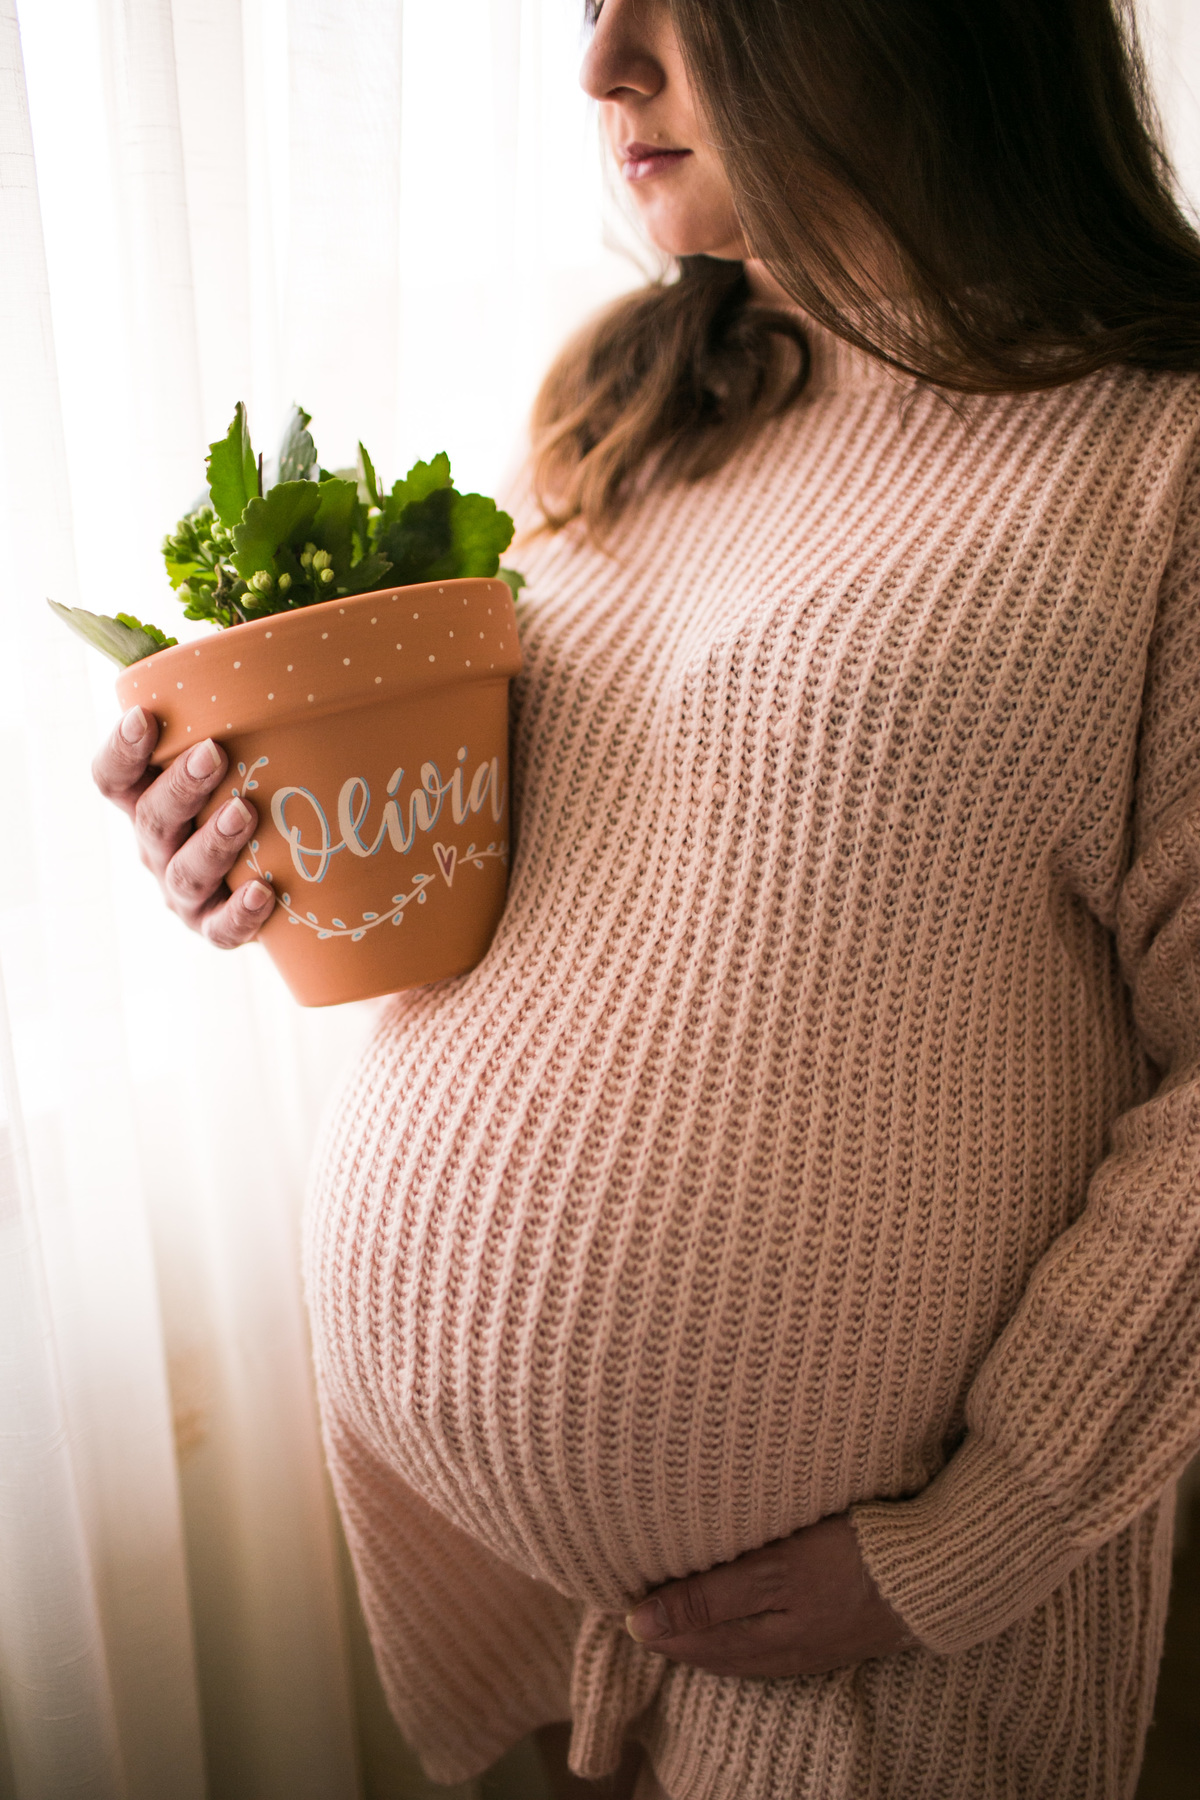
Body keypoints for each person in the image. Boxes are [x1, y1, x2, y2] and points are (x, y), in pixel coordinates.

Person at [92, 0, 1200, 1795]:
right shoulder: (639, 392)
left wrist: (972, 1542)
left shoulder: (1161, 461)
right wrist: (248, 841)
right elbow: (541, 885)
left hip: (876, 1670)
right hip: (527, 1605)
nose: (599, 62)